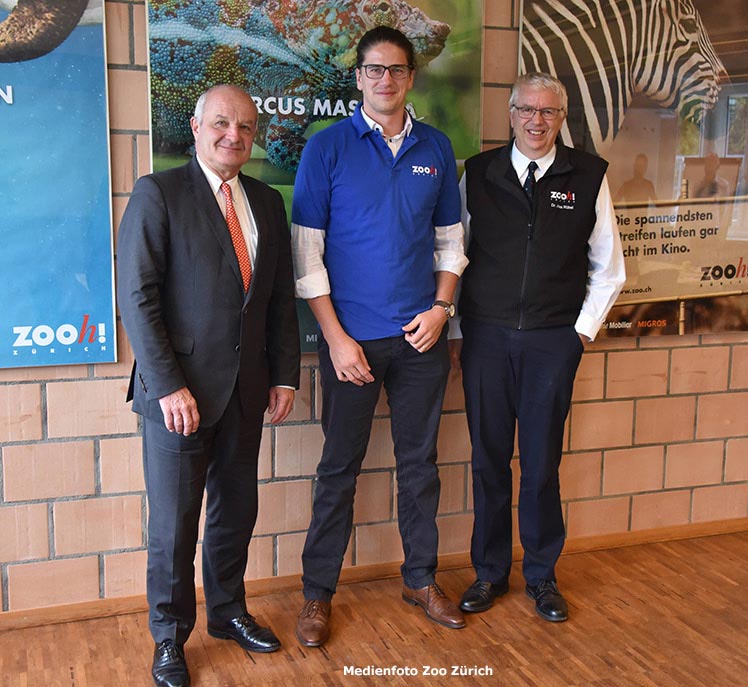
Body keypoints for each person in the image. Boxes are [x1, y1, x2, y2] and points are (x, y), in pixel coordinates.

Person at [290, 26, 469, 647]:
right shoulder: (328, 148)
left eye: (396, 69)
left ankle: (421, 579)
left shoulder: (436, 149)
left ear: (411, 76)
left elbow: (451, 241)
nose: (385, 80)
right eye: (373, 70)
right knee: (338, 470)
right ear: (359, 77)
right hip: (351, 346)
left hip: (422, 340)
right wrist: (337, 340)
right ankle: (317, 597)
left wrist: (442, 308)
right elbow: (306, 257)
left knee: (420, 466)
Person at [117, 84, 300, 687]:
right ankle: (169, 637)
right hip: (179, 397)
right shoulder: (159, 193)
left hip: (247, 393)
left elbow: (275, 301)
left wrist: (282, 375)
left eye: (246, 127)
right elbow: (137, 299)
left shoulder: (268, 203)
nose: (234, 136)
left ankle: (227, 613)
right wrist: (169, 386)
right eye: (221, 124)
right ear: (195, 128)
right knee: (173, 524)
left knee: (235, 510)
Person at [452, 73, 625, 623]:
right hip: (485, 337)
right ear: (510, 114)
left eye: (548, 112)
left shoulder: (589, 176)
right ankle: (489, 573)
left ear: (561, 117)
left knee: (542, 463)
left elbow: (609, 268)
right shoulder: (477, 174)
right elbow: (453, 257)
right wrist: (459, 333)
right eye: (527, 109)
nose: (536, 121)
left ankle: (543, 577)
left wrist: (579, 333)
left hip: (553, 342)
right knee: (488, 460)